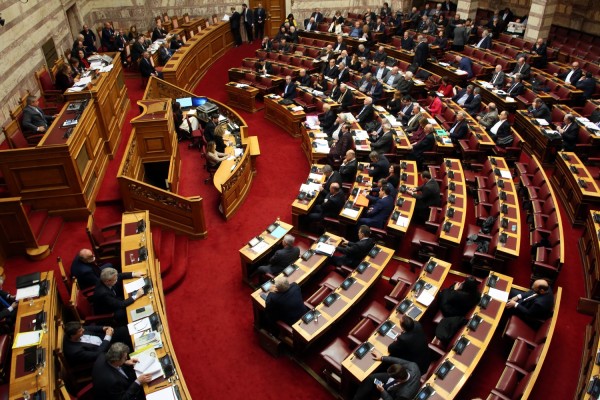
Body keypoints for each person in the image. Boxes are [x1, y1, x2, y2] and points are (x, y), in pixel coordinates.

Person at [353, 352, 421, 400]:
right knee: (371, 378)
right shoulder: (413, 366)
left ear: (398, 379)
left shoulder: (404, 395)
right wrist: (382, 358)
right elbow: (399, 361)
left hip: (392, 393)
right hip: (392, 382)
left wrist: (382, 391)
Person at [63, 321, 130, 366]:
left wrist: (103, 328)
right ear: (73, 336)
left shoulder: (75, 330)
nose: (83, 330)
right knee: (123, 349)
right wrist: (108, 337)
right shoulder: (75, 351)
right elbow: (97, 354)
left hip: (101, 337)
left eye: (82, 328)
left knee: (123, 330)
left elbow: (88, 328)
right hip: (103, 351)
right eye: (80, 331)